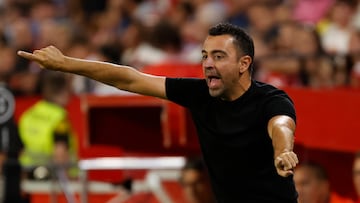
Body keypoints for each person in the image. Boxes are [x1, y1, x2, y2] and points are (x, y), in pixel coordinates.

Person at [17, 22, 299, 202]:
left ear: (244, 63)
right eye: (204, 56)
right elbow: (129, 78)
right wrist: (65, 64)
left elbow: (281, 125)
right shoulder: (200, 94)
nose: (208, 64)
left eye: (219, 56)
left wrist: (283, 150)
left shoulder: (270, 100)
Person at [18, 70, 77, 180]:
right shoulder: (59, 118)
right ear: (65, 90)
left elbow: (20, 149)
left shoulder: (29, 114)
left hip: (28, 175)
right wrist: (68, 181)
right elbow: (60, 154)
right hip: (52, 179)